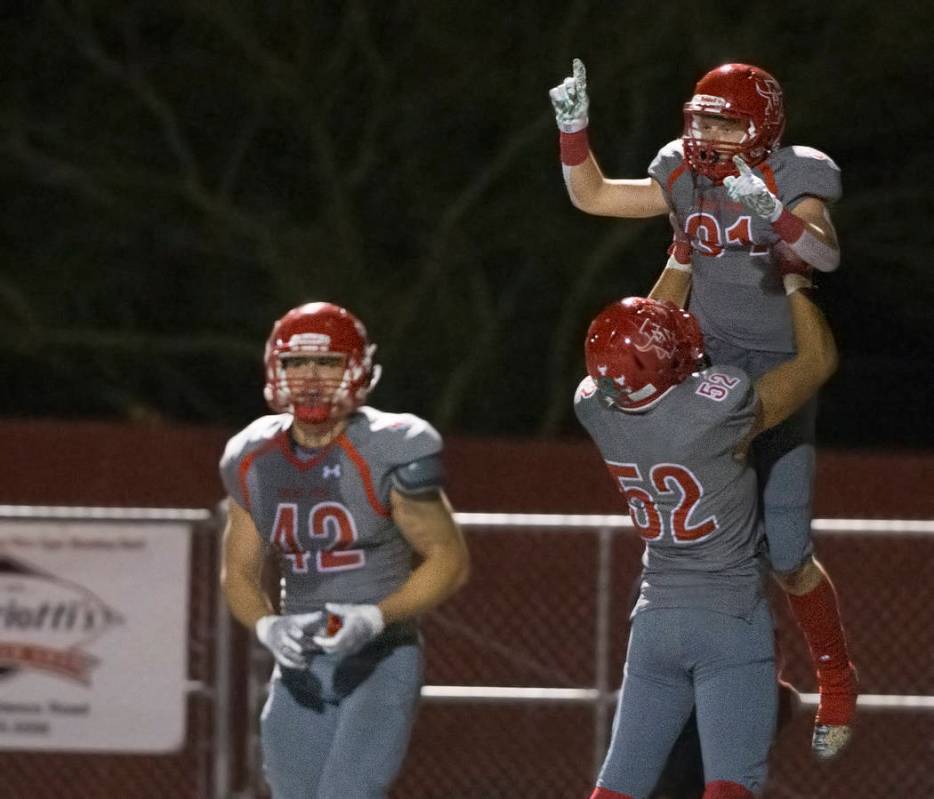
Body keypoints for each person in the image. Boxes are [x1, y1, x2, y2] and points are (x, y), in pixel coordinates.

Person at [550, 59, 857, 759]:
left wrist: (771, 210)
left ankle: (836, 672)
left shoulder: (797, 173)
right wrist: (573, 131)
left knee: (785, 548)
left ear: (765, 129)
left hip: (780, 370)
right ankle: (756, 666)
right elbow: (594, 195)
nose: (710, 135)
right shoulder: (683, 172)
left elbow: (824, 255)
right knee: (715, 545)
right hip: (708, 369)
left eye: (726, 122)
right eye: (701, 121)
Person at [573, 260, 838, 797]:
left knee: (616, 788)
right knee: (729, 788)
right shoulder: (714, 409)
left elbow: (637, 348)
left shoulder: (594, 407)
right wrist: (795, 283)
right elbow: (817, 361)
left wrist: (679, 260)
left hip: (654, 623)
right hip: (727, 620)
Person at [219, 301, 470, 799]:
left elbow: (447, 559)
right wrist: (268, 625)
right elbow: (240, 571)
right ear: (276, 368)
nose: (311, 377)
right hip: (302, 660)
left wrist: (375, 617)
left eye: (327, 361)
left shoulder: (390, 446)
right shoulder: (251, 456)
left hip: (380, 653)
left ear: (354, 369)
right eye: (296, 362)